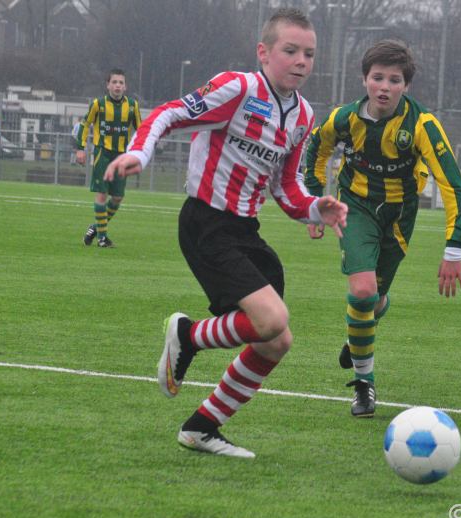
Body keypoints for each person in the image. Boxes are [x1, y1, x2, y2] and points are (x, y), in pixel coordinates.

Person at [104, 8, 347, 458]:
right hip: (205, 224)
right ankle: (188, 335)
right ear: (264, 52)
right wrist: (141, 153)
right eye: (290, 50)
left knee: (277, 339)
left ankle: (201, 427)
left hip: (245, 232)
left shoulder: (303, 115)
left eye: (309, 54)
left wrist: (317, 208)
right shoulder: (238, 87)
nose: (301, 61)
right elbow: (169, 113)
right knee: (271, 320)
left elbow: (286, 186)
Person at [304, 39, 461, 418]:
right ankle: (364, 385)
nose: (384, 86)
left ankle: (360, 333)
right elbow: (316, 149)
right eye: (377, 77)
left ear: (405, 86)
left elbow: (454, 187)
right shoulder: (343, 118)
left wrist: (453, 249)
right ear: (365, 79)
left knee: (374, 302)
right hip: (356, 208)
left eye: (394, 80)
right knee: (362, 293)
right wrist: (314, 203)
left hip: (398, 218)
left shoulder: (422, 125)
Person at [75, 69, 142, 248]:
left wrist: (142, 152)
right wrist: (80, 149)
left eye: (121, 82)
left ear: (125, 86)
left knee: (118, 197)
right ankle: (102, 238)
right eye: (114, 82)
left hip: (121, 156)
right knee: (102, 194)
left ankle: (96, 227)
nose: (117, 85)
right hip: (102, 154)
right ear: (108, 85)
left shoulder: (133, 106)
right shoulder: (98, 104)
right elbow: (85, 124)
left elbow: (141, 130)